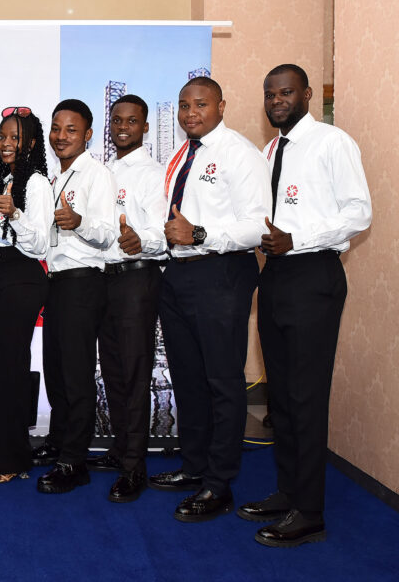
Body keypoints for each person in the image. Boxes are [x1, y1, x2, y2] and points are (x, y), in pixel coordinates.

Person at [238, 64, 371, 547]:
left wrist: (299, 239)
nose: (276, 101)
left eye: (286, 92)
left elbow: (359, 212)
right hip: (275, 275)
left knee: (306, 397)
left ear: (308, 94)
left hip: (313, 274)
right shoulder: (271, 150)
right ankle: (289, 492)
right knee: (281, 397)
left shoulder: (333, 143)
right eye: (270, 94)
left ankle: (310, 512)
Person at [149, 77, 271, 522]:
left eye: (200, 104)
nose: (190, 113)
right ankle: (194, 466)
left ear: (221, 105)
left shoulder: (240, 153)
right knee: (188, 379)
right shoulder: (180, 155)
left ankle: (219, 484)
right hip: (178, 274)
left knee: (222, 380)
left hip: (222, 272)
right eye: (184, 105)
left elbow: (258, 225)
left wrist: (199, 234)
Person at [36, 99, 117, 495]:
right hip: (57, 283)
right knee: (56, 370)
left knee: (76, 375)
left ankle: (74, 461)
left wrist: (79, 222)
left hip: (83, 282)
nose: (61, 136)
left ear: (87, 135)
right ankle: (58, 442)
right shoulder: (56, 177)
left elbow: (107, 234)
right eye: (56, 128)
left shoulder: (96, 174)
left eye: (71, 129)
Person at [91, 94, 167, 502]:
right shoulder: (104, 171)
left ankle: (135, 467)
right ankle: (121, 450)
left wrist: (141, 241)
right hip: (105, 280)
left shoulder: (152, 174)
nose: (123, 127)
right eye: (117, 120)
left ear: (145, 127)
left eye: (132, 121)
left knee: (136, 373)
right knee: (114, 371)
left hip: (137, 279)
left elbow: (160, 232)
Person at [0, 107, 49, 484]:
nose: (6, 143)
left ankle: (12, 460)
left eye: (15, 138)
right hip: (4, 278)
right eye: (2, 136)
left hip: (25, 277)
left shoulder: (36, 183)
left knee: (8, 369)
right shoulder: (4, 179)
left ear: (30, 144)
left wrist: (16, 214)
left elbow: (42, 243)